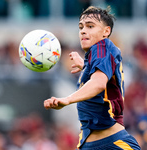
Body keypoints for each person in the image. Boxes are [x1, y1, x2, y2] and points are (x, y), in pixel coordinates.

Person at [44, 6, 141, 150]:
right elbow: (104, 82)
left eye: (90, 26)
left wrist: (67, 99)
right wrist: (86, 66)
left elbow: (99, 84)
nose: (83, 30)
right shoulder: (96, 56)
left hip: (112, 144)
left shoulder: (102, 47)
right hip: (88, 144)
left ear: (106, 31)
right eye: (81, 27)